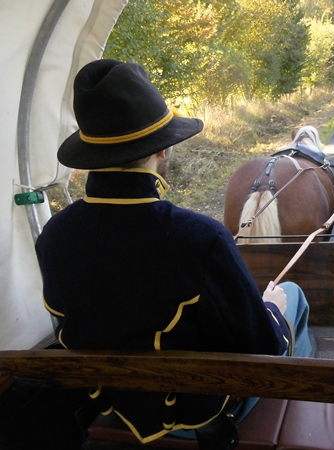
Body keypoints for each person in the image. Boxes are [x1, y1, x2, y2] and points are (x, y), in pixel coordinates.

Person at [35, 59, 312, 446]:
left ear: (91, 154)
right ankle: (296, 410)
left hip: (111, 402)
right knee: (292, 297)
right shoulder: (199, 238)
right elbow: (261, 345)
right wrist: (272, 309)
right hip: (193, 414)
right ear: (163, 149)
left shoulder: (54, 234)